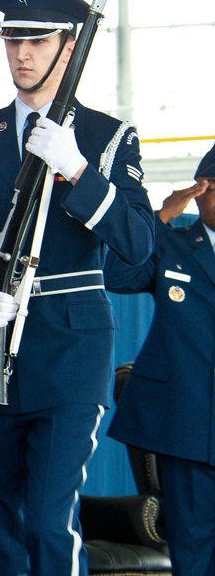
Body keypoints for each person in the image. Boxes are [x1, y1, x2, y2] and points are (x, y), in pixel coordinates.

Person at [0, 0, 154, 575]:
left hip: (70, 350)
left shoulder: (106, 138)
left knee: (46, 519)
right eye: (13, 39)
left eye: (37, 40)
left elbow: (138, 244)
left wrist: (79, 172)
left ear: (69, 49)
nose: (22, 53)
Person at [105, 144, 215, 576]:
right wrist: (161, 216)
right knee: (192, 541)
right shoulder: (173, 243)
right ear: (200, 189)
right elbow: (118, 274)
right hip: (186, 423)